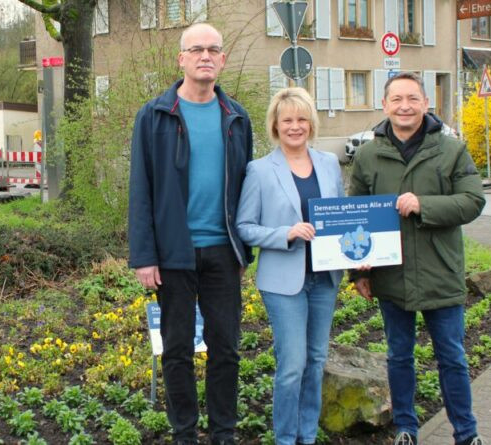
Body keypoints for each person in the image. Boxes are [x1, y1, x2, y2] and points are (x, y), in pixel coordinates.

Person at [127, 23, 253, 445]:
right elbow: (140, 189)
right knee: (177, 350)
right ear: (180, 59)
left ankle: (223, 432)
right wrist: (144, 255)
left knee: (227, 349)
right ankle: (184, 433)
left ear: (222, 59)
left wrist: (243, 250)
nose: (204, 56)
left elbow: (245, 189)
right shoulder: (155, 115)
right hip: (172, 256)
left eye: (212, 49)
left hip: (222, 251)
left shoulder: (237, 117)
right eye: (195, 49)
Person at [348, 71, 486, 445]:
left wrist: (424, 205)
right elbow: (354, 214)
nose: (404, 106)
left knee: (453, 358)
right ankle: (406, 428)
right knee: (399, 357)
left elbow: (473, 200)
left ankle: (466, 432)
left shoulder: (451, 149)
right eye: (396, 99)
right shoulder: (368, 155)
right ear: (385, 105)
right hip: (390, 274)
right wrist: (355, 272)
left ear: (426, 103)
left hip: (440, 270)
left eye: (412, 98)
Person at [236, 87, 344, 445]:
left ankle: (307, 436)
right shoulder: (260, 170)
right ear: (276, 125)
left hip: (324, 279)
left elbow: (340, 217)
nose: (295, 126)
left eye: (301, 119)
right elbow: (245, 227)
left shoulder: (328, 164)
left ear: (310, 123)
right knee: (292, 365)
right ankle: (285, 438)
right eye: (287, 120)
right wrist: (286, 232)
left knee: (316, 362)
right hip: (283, 283)